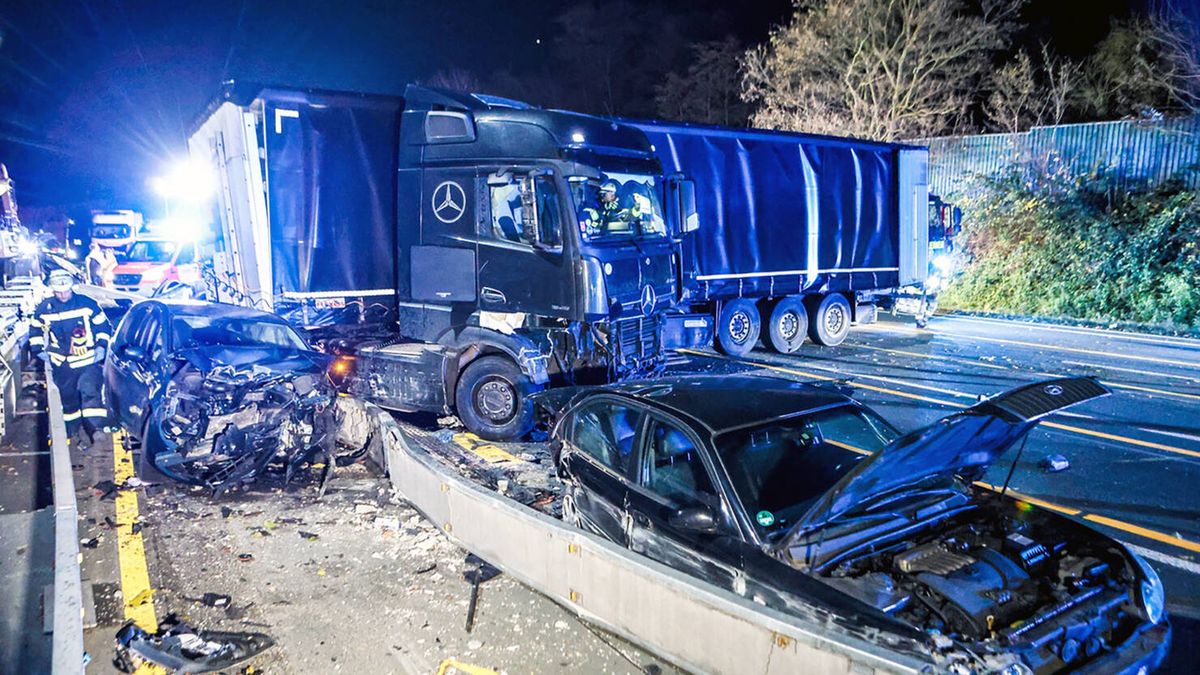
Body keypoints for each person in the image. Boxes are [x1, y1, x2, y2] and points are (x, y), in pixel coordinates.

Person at [30, 269, 113, 447]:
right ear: (52, 290)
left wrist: (101, 347)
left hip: (87, 361)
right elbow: (35, 330)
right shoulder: (44, 308)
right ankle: (72, 430)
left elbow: (104, 328)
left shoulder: (87, 304)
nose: (62, 295)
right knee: (68, 400)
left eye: (65, 291)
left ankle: (96, 429)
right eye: (58, 292)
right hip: (62, 364)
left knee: (90, 393)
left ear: (71, 287)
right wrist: (39, 350)